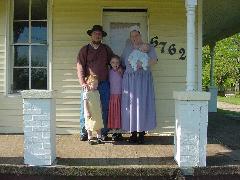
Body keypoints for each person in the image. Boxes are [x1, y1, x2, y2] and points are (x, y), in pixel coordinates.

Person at [121, 26, 158, 144]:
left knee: (142, 105)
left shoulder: (148, 47)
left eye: (136, 35)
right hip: (130, 81)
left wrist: (142, 64)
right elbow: (122, 62)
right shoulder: (127, 48)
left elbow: (154, 60)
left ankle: (141, 133)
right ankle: (133, 133)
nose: (134, 38)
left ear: (140, 35)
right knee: (131, 106)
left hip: (143, 81)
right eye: (132, 36)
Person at [76, 25, 114, 141]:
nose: (97, 36)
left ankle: (103, 132)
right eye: (95, 33)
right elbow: (80, 66)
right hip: (89, 84)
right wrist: (83, 82)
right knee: (85, 108)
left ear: (101, 36)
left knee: (104, 107)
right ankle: (84, 131)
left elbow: (113, 62)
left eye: (99, 34)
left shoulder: (106, 49)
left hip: (103, 83)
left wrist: (120, 69)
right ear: (91, 35)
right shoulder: (85, 49)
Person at [83, 74, 103, 145]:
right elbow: (85, 103)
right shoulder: (86, 93)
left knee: (98, 125)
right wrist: (87, 112)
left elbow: (99, 101)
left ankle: (99, 137)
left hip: (97, 111)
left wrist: (100, 108)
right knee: (89, 125)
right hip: (90, 112)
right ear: (89, 84)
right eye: (94, 84)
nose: (96, 85)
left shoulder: (97, 92)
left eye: (97, 84)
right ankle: (90, 138)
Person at [107, 55, 123, 141]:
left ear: (119, 63)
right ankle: (114, 132)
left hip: (120, 96)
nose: (115, 64)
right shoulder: (109, 72)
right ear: (110, 63)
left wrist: (121, 72)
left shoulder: (121, 72)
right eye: (113, 62)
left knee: (119, 114)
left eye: (117, 62)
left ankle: (119, 131)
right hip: (112, 96)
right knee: (113, 114)